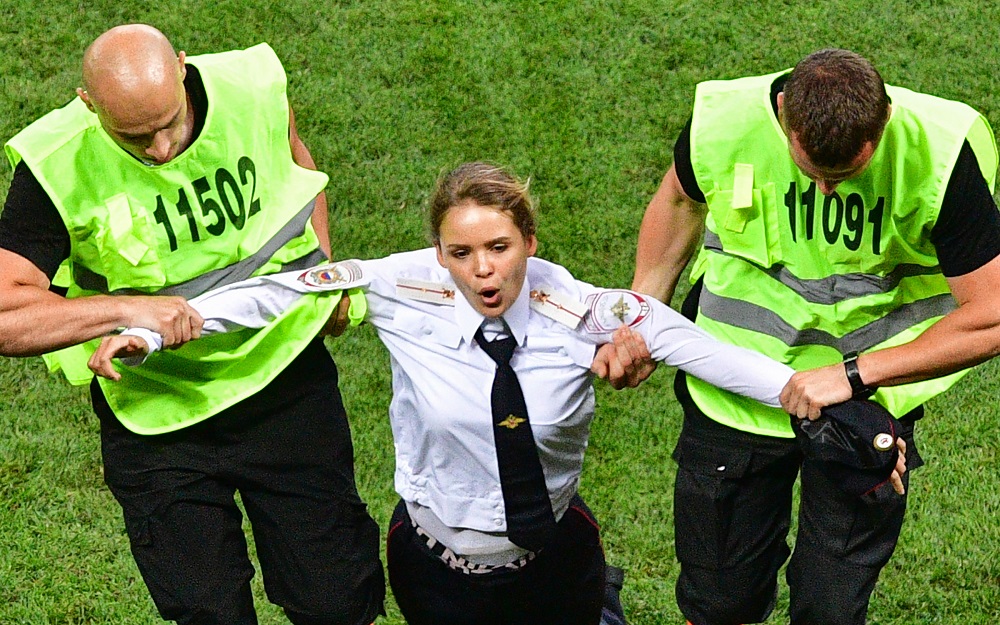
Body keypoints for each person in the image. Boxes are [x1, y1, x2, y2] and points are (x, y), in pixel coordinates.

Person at [91, 161, 800, 625]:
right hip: (436, 571)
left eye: (499, 246)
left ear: (529, 238)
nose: (482, 270)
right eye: (460, 252)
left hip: (555, 559)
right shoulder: (403, 286)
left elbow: (709, 353)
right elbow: (275, 295)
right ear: (438, 253)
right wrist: (154, 330)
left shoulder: (587, 309)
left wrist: (810, 392)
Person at [0, 25, 384, 625]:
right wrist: (127, 309)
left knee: (336, 598)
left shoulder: (251, 86)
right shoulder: (56, 164)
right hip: (160, 419)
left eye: (167, 123)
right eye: (133, 136)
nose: (159, 150)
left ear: (183, 68)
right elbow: (5, 312)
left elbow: (295, 166)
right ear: (86, 103)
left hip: (285, 380)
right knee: (207, 612)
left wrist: (324, 274)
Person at [630, 48, 1000, 625]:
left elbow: (994, 312)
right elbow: (679, 199)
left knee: (831, 609)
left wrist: (852, 376)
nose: (827, 192)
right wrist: (643, 315)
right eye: (814, 173)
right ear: (783, 114)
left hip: (863, 407)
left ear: (884, 122)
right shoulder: (724, 120)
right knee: (718, 602)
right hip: (736, 393)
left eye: (845, 175)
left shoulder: (940, 152)